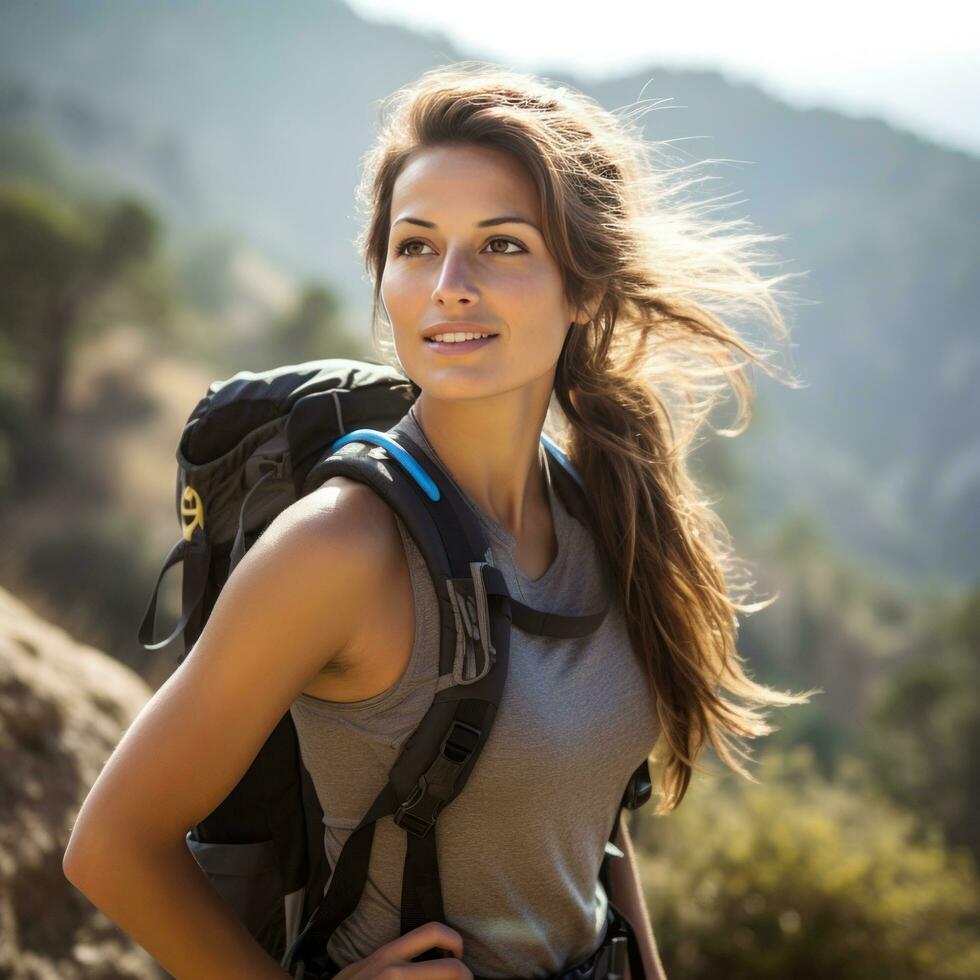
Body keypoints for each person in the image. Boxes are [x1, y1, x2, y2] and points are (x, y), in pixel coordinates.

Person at [63, 62, 816, 979]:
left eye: (502, 246)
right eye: (416, 246)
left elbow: (591, 828)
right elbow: (111, 847)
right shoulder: (339, 548)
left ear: (583, 288)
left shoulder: (603, 509)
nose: (449, 285)